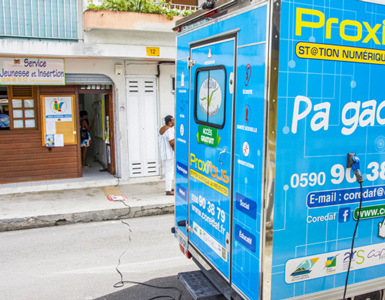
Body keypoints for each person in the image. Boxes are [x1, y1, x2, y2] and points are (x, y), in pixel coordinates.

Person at [158, 115, 175, 195]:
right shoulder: (170, 130)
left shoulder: (162, 129)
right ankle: (168, 190)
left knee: (167, 171)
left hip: (163, 153)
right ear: (169, 122)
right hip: (168, 154)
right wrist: (175, 149)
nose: (174, 122)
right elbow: (171, 142)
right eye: (173, 120)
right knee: (169, 172)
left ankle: (169, 186)